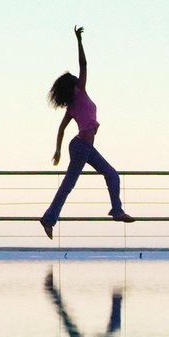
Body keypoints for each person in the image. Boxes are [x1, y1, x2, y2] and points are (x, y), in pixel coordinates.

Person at [41, 26, 135, 237]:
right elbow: (83, 64)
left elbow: (62, 128)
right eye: (75, 77)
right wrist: (79, 40)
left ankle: (116, 210)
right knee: (69, 184)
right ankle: (48, 219)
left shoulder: (75, 103)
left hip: (85, 147)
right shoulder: (79, 92)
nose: (78, 76)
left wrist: (58, 151)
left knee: (112, 175)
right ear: (73, 84)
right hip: (82, 147)